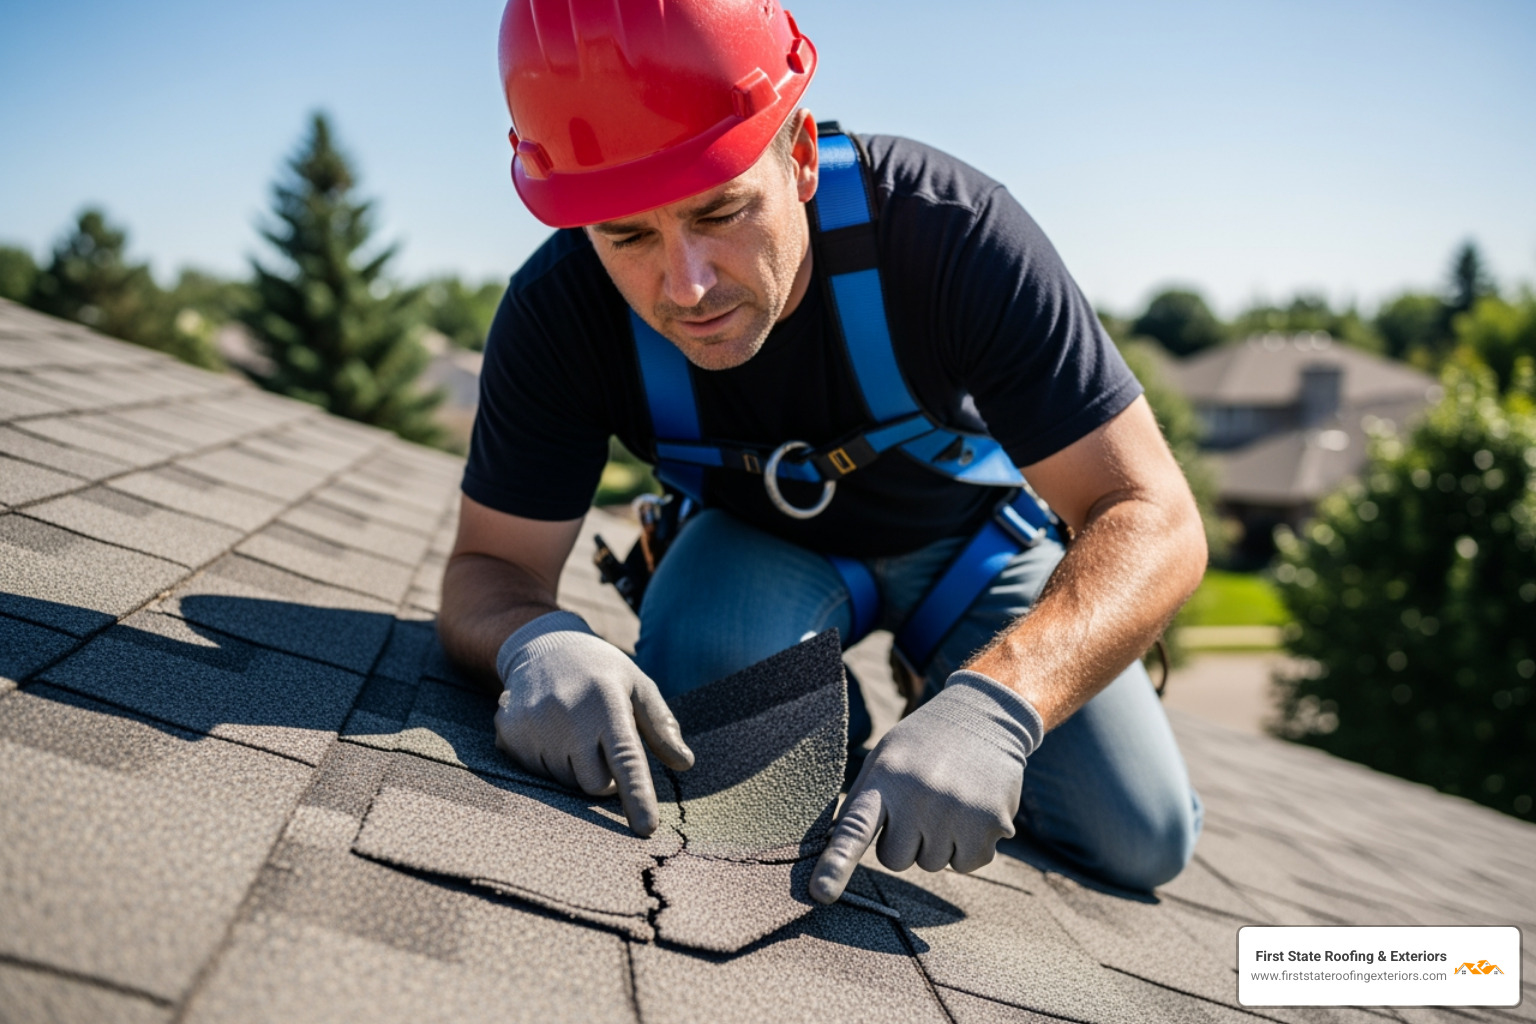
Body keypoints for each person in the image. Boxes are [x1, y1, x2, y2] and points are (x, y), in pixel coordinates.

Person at [439, 0, 1207, 903]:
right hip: (757, 548)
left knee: (1142, 837)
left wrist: (1002, 700)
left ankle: (939, 691)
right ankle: (835, 721)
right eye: (629, 235)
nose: (685, 285)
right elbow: (490, 566)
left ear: (798, 153)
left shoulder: (951, 233)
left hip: (970, 550)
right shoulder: (559, 313)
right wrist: (537, 640)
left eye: (721, 209)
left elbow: (1153, 514)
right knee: (723, 753)